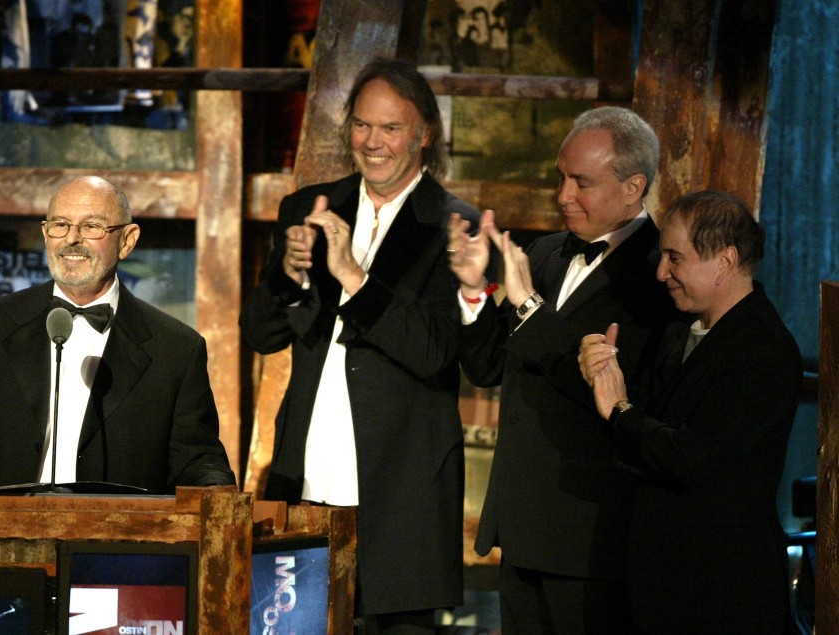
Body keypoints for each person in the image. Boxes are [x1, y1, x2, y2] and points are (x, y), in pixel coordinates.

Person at [240, 57, 479, 634]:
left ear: (423, 135)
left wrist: (354, 277)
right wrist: (289, 275)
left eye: (390, 128)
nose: (373, 142)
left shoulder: (453, 226)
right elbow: (262, 333)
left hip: (401, 492)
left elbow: (437, 352)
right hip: (306, 477)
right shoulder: (310, 208)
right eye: (361, 125)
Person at [447, 106, 678, 633]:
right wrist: (471, 291)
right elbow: (487, 367)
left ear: (632, 186)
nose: (562, 196)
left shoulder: (657, 276)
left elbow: (605, 388)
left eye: (581, 182)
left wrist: (529, 307)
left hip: (590, 535)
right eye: (561, 177)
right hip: (522, 528)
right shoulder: (547, 253)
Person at [0, 175, 235, 493]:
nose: (72, 240)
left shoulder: (176, 349)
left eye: (92, 226)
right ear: (46, 234)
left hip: (116, 549)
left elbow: (197, 457)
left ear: (127, 240)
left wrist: (218, 500)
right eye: (60, 225)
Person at [578, 190, 801, 634]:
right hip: (657, 591)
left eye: (674, 258)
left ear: (724, 259)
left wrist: (620, 411)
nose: (662, 273)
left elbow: (694, 458)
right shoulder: (681, 330)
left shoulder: (763, 350)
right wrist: (600, 368)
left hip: (719, 597)